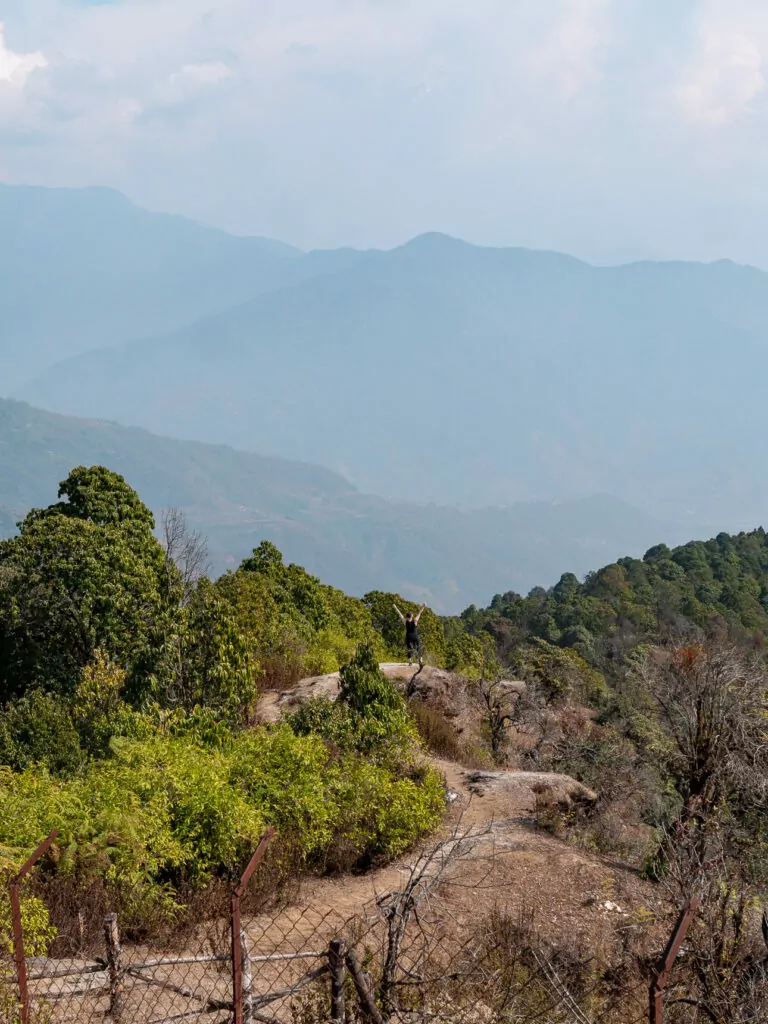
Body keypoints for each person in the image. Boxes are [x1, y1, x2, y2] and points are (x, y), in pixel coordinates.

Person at [394, 603, 426, 667]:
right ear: (411, 616)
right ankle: (420, 662)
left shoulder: (405, 621)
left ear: (407, 616)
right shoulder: (415, 621)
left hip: (408, 636)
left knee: (409, 649)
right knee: (418, 648)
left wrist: (395, 607)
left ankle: (410, 662)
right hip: (415, 636)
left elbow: (400, 614)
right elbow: (419, 613)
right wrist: (423, 606)